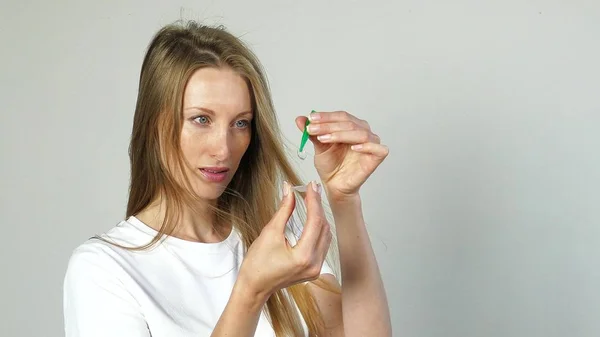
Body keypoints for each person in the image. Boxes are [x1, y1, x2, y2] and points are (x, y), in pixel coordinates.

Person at [63, 20, 392, 337]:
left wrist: (345, 200)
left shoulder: (275, 235)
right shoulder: (104, 270)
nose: (223, 149)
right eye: (201, 119)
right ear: (154, 124)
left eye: (240, 123)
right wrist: (250, 291)